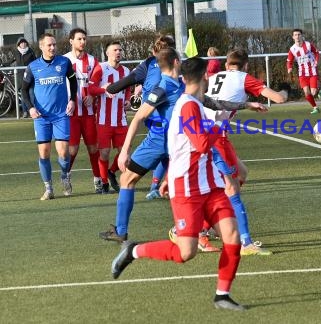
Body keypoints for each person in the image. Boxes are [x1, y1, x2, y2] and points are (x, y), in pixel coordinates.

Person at [111, 56, 245, 311]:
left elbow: (181, 147)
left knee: (232, 236)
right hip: (188, 188)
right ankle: (134, 251)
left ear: (184, 79)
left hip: (209, 185)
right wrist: (220, 124)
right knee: (186, 252)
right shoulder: (188, 106)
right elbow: (201, 144)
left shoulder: (193, 102)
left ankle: (222, 295)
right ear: (205, 76)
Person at [99, 48, 267, 243]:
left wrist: (124, 152)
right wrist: (245, 105)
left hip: (165, 142)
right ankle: (226, 236)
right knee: (220, 183)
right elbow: (140, 116)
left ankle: (122, 230)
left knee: (128, 180)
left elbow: (138, 117)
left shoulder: (170, 85)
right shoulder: (171, 87)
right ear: (176, 62)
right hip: (177, 143)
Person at [189, 48, 288, 255]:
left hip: (201, 132)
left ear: (226, 65)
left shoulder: (216, 76)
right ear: (246, 66)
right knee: (232, 188)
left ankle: (205, 228)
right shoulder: (244, 77)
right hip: (215, 136)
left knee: (241, 173)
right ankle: (244, 243)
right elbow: (278, 99)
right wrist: (286, 90)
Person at [106, 35, 175, 198]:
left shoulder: (148, 65)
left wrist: (109, 88)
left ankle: (121, 225)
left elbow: (121, 85)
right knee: (181, 183)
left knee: (127, 180)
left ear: (153, 51)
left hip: (157, 134)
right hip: (180, 132)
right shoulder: (180, 67)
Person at [21, 33, 77, 200]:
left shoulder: (64, 62)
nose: (52, 47)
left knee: (63, 153)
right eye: (49, 45)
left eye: (54, 44)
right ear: (41, 47)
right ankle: (49, 188)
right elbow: (23, 89)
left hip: (61, 115)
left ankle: (65, 175)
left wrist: (72, 100)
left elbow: (73, 81)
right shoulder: (33, 67)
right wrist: (30, 108)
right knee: (44, 153)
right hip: (41, 117)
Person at [87, 41, 130, 194]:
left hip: (121, 120)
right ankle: (104, 183)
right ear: (107, 53)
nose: (118, 52)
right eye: (114, 50)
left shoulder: (126, 70)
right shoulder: (101, 68)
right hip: (104, 119)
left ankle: (112, 171)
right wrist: (103, 90)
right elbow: (91, 88)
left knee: (125, 153)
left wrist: (127, 100)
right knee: (104, 153)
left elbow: (128, 89)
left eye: (120, 49)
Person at [63, 28, 103, 193]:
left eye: (84, 39)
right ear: (71, 41)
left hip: (88, 113)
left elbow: (98, 83)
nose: (82, 42)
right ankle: (66, 177)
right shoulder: (63, 60)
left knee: (93, 148)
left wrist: (93, 97)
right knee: (72, 150)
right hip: (71, 113)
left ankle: (97, 180)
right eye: (79, 39)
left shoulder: (93, 61)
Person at [286, 28, 321, 114]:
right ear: (293, 37)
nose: (297, 36)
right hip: (302, 73)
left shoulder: (308, 45)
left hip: (312, 71)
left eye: (299, 35)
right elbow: (289, 61)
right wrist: (289, 68)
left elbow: (316, 52)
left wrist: (316, 61)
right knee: (306, 92)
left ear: (301, 36)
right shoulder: (292, 49)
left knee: (313, 92)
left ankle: (319, 89)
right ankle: (315, 107)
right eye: (295, 35)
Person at [11, 37, 37, 118]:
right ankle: (25, 112)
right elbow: (11, 60)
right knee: (23, 95)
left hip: (30, 76)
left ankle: (33, 111)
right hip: (21, 77)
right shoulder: (16, 52)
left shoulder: (30, 51)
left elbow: (35, 61)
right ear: (19, 44)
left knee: (31, 93)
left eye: (24, 42)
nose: (23, 44)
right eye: (21, 43)